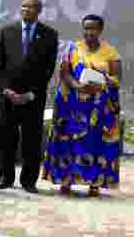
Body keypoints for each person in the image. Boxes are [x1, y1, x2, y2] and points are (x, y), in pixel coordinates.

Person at [42, 14, 122, 197]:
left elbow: (117, 79)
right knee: (69, 143)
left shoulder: (111, 52)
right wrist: (79, 86)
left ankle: (94, 184)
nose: (89, 32)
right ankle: (66, 180)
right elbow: (64, 73)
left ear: (100, 30)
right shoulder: (72, 49)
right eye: (86, 28)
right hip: (72, 107)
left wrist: (101, 82)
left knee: (95, 144)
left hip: (97, 108)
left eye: (93, 28)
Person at [0, 0, 59, 193]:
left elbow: (48, 69)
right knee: (6, 138)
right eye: (23, 6)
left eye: (31, 7)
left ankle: (29, 181)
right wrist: (6, 90)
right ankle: (5, 177)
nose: (26, 10)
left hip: (33, 98)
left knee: (32, 140)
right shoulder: (7, 31)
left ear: (39, 11)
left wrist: (31, 93)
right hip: (8, 98)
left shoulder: (49, 35)